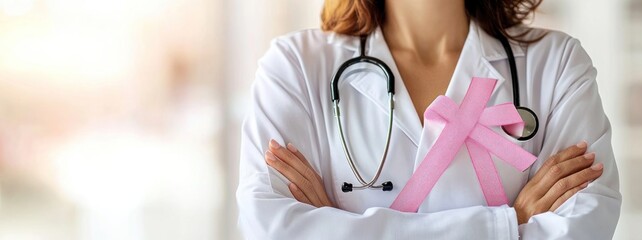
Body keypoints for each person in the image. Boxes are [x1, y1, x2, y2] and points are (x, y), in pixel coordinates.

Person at [237, 0, 622, 239]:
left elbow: (585, 224)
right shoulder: (295, 67)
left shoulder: (557, 64)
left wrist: (333, 225)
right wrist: (509, 225)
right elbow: (270, 227)